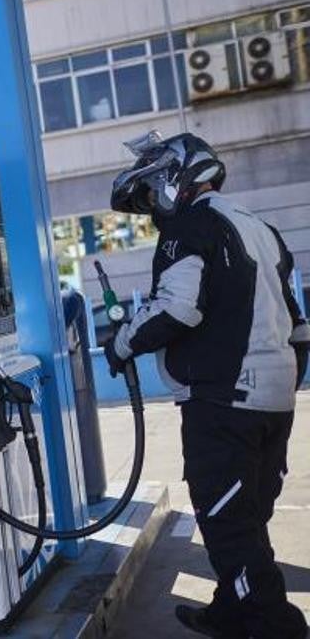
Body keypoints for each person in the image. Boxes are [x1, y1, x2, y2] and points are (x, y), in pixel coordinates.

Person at [103, 131, 309, 639]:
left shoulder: (191, 226)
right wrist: (279, 384)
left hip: (224, 403)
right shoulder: (259, 227)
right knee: (245, 519)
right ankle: (229, 610)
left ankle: (277, 627)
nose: (152, 208)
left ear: (179, 177)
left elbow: (176, 308)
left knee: (227, 526)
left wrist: (123, 342)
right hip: (271, 402)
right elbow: (298, 326)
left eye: (152, 193)